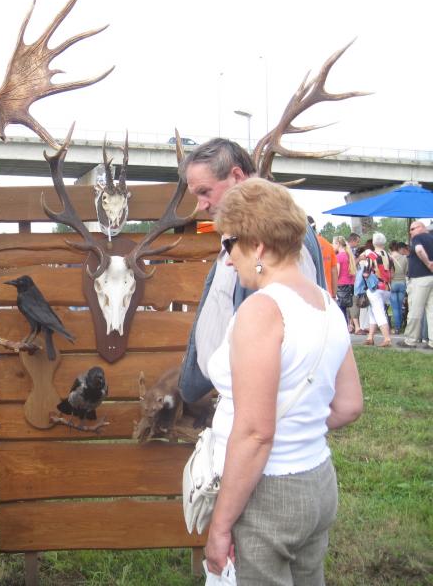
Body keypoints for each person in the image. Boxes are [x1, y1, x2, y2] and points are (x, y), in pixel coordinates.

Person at [203, 178, 363, 583]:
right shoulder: (326, 305)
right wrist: (298, 429)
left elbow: (256, 433)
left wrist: (220, 526)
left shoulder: (262, 311)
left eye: (228, 244)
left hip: (266, 492)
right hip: (317, 479)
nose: (227, 260)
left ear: (257, 246)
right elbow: (349, 406)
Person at [177, 138, 326, 403]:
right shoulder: (249, 229)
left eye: (205, 192)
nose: (201, 205)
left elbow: (294, 340)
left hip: (258, 402)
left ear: (236, 176)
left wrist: (253, 405)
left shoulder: (279, 233)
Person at [399, 220, 433, 348]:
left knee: (415, 310)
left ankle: (410, 340)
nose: (410, 232)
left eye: (413, 229)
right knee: (431, 311)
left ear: (421, 227)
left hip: (419, 279)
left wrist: (428, 263)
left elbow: (419, 250)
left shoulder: (418, 238)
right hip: (431, 278)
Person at [355, 235, 392, 347]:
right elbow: (392, 273)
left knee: (378, 312)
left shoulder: (371, 256)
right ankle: (370, 337)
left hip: (375, 288)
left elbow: (366, 273)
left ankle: (387, 338)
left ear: (374, 243)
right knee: (373, 312)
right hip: (387, 287)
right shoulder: (389, 256)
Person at [309, 217, 338, 297]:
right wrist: (334, 295)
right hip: (327, 294)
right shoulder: (328, 245)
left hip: (311, 295)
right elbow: (334, 271)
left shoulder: (303, 246)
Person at [333, 235, 356, 327]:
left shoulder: (338, 257)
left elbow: (337, 273)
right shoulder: (349, 256)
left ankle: (342, 328)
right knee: (345, 310)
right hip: (349, 285)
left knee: (340, 310)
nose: (333, 246)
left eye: (334, 243)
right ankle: (346, 327)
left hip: (341, 286)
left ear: (338, 244)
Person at [389, 241, 409, 334]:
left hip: (393, 283)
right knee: (400, 306)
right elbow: (406, 271)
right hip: (402, 283)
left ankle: (397, 327)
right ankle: (400, 325)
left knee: (395, 307)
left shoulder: (389, 257)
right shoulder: (404, 258)